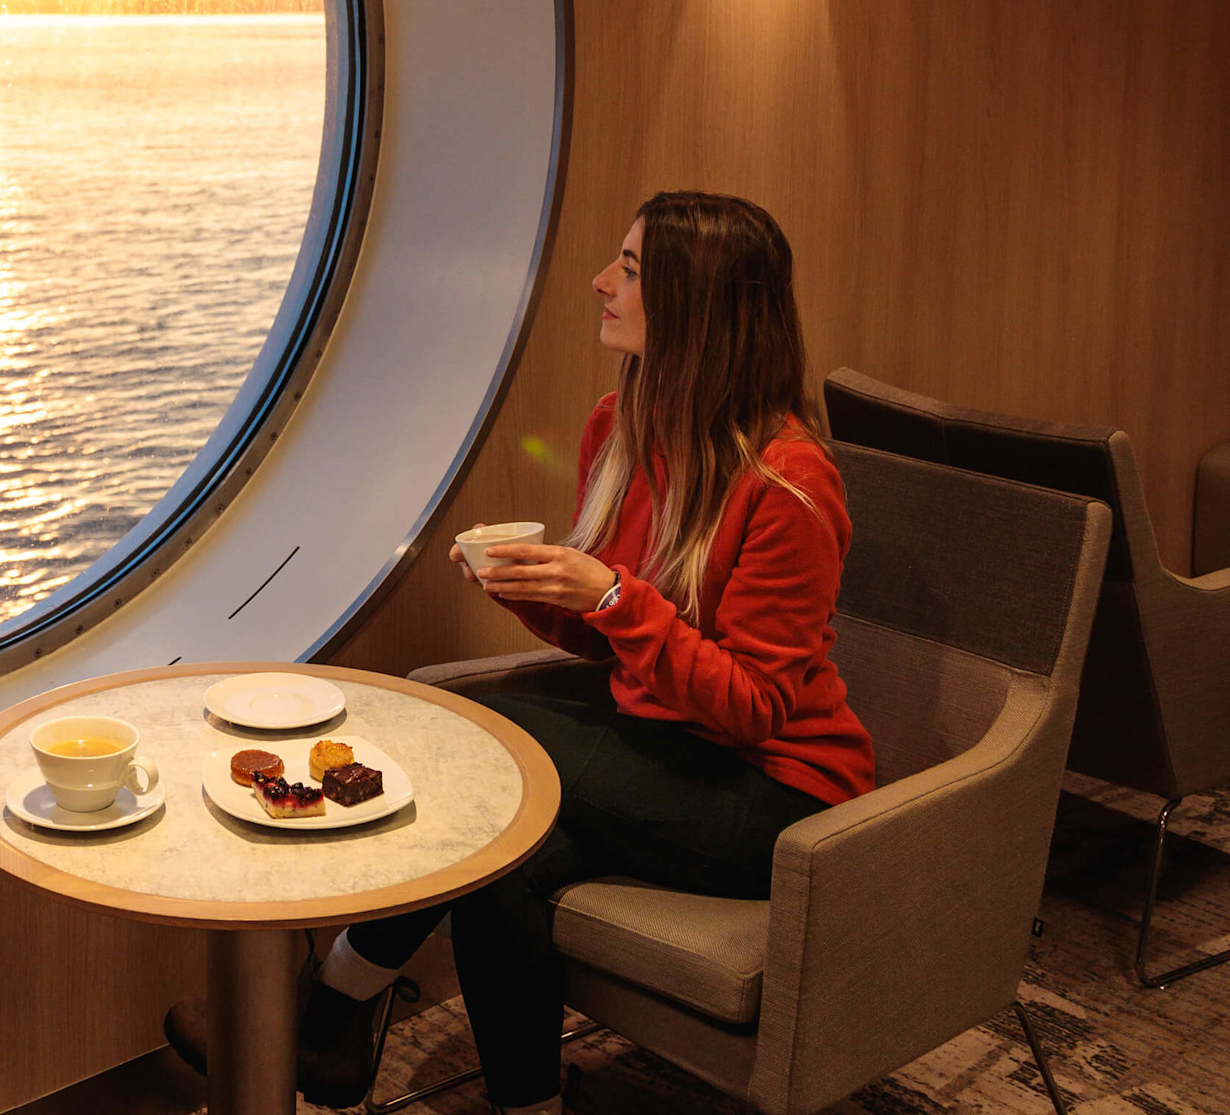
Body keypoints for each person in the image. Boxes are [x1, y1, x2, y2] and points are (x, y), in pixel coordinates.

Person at [165, 191, 877, 1115]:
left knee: (479, 742)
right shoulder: (619, 429)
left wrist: (615, 596)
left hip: (777, 791)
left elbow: (754, 706)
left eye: (627, 268)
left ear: (694, 302)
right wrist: (544, 596)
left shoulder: (790, 484)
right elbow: (616, 642)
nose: (599, 282)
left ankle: (332, 1011)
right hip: (666, 748)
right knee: (510, 855)